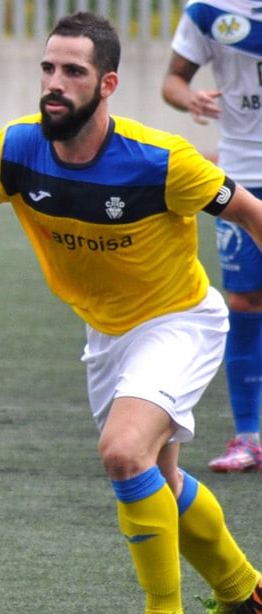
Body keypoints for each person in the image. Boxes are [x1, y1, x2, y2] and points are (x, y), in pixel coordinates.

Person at [0, 11, 262, 614]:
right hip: (106, 335)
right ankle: (243, 593)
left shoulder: (161, 161)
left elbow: (249, 213)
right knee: (159, 475)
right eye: (48, 68)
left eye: (73, 71)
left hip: (179, 320)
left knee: (124, 453)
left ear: (107, 85)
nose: (55, 82)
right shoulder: (15, 150)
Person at [163, 0, 262, 473]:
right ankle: (248, 437)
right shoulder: (208, 10)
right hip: (242, 172)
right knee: (244, 301)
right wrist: (191, 98)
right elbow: (172, 81)